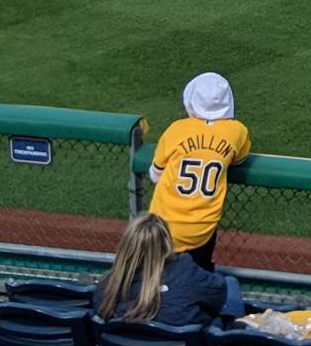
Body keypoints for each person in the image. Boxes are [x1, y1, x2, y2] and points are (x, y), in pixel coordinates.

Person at [148, 73, 252, 269]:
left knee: (153, 278)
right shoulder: (236, 131)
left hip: (161, 224)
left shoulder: (176, 129)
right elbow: (240, 159)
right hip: (201, 230)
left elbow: (155, 173)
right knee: (197, 280)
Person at [94, 210, 242, 328]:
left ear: (127, 246)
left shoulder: (107, 286)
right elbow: (217, 298)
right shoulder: (186, 271)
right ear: (167, 244)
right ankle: (233, 342)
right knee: (229, 282)